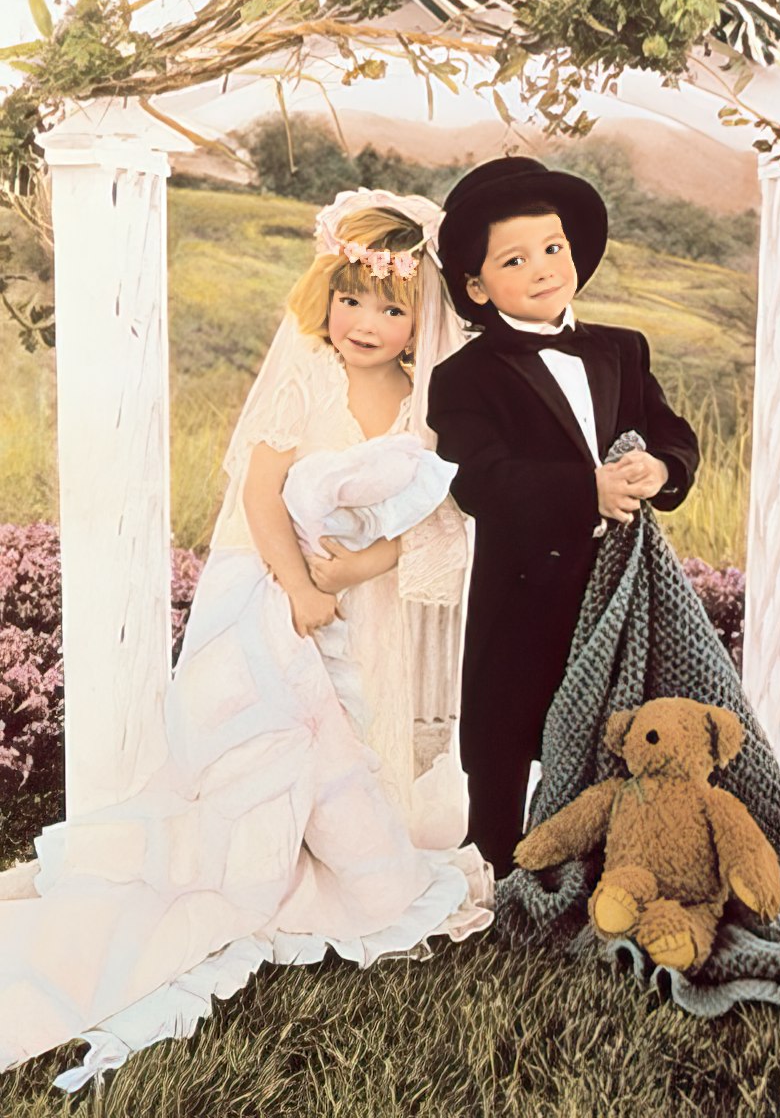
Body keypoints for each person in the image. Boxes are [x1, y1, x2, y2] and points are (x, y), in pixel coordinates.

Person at [0, 190, 492, 1087]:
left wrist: (356, 570)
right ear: (324, 297)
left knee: (358, 727)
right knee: (270, 740)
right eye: (350, 299)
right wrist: (301, 585)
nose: (365, 323)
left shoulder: (421, 399)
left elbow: (431, 514)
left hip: (364, 599)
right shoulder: (307, 372)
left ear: (420, 319)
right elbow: (262, 496)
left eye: (390, 310)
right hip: (272, 592)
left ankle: (343, 848)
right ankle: (257, 854)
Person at [427, 157, 700, 880]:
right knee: (505, 730)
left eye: (553, 247)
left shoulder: (621, 348)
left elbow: (670, 431)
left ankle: (610, 864)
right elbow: (477, 478)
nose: (543, 268)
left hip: (618, 586)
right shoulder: (464, 376)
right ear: (477, 286)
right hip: (522, 587)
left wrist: (661, 468)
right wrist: (586, 491)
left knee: (617, 724)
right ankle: (493, 866)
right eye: (514, 260)